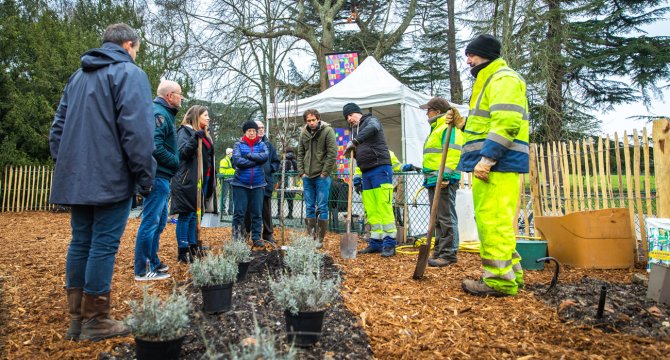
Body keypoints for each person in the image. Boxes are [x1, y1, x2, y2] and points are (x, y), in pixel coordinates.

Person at [50, 23, 155, 341]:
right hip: (111, 177)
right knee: (103, 245)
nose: (136, 55)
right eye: (136, 49)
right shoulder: (130, 74)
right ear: (128, 45)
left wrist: (68, 163)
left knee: (80, 242)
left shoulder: (78, 76)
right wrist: (144, 177)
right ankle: (96, 320)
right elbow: (137, 132)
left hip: (78, 177)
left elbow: (58, 127)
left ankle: (76, 321)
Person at [445, 34, 529, 297]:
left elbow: (506, 123)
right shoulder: (488, 81)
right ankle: (511, 275)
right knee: (493, 222)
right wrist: (463, 124)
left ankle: (499, 282)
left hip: (498, 164)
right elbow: (485, 126)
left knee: (494, 222)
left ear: (485, 55)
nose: (468, 60)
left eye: (471, 54)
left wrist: (488, 158)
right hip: (494, 164)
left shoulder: (503, 79)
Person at [133, 80, 183, 281]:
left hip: (162, 176)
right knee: (151, 222)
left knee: (160, 221)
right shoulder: (159, 114)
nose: (181, 98)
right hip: (157, 175)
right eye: (179, 94)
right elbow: (154, 146)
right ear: (170, 96)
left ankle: (153, 260)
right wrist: (175, 161)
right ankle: (142, 269)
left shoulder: (164, 113)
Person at [343, 103, 397, 257]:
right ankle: (376, 242)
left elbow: (372, 129)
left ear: (356, 113)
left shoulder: (371, 121)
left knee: (383, 206)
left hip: (380, 168)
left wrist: (355, 142)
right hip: (366, 171)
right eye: (346, 118)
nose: (349, 120)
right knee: (372, 209)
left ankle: (390, 243)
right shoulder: (355, 131)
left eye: (350, 116)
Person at [419, 96, 463, 267]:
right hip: (433, 179)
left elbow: (452, 153)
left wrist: (444, 175)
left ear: (437, 112)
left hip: (443, 179)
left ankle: (449, 253)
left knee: (445, 217)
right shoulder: (436, 129)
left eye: (428, 111)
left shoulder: (447, 127)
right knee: (436, 217)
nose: (426, 114)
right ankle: (439, 251)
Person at [170, 105, 218, 263]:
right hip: (187, 179)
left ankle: (193, 245)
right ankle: (183, 251)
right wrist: (194, 138)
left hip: (201, 180)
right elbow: (182, 153)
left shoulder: (204, 134)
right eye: (205, 115)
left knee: (194, 214)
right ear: (196, 116)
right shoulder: (185, 132)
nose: (208, 118)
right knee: (186, 215)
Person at [297, 109, 337, 247]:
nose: (311, 123)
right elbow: (300, 153)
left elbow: (332, 153)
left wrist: (325, 173)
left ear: (318, 119)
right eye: (308, 120)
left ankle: (320, 239)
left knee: (322, 207)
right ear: (306, 121)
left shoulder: (327, 131)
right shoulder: (304, 133)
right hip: (307, 176)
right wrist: (301, 172)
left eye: (314, 120)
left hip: (321, 176)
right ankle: (310, 237)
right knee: (309, 207)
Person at [231, 120, 269, 246]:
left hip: (258, 184)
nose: (252, 133)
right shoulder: (238, 144)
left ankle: (256, 238)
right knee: (239, 213)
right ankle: (237, 237)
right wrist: (255, 161)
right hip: (240, 184)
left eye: (254, 131)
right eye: (249, 131)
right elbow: (237, 160)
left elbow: (265, 156)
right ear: (245, 132)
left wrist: (248, 156)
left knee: (257, 213)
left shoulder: (262, 144)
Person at [244, 121, 280, 243]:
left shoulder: (269, 145)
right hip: (250, 182)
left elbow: (276, 161)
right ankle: (246, 232)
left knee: (266, 210)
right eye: (258, 128)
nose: (260, 130)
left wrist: (270, 168)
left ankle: (268, 234)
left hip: (265, 182)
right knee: (249, 209)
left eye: (262, 128)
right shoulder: (246, 144)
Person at [277, 147, 298, 219]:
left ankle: (279, 214)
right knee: (290, 199)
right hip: (291, 182)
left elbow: (279, 171)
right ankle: (290, 214)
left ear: (284, 153)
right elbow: (297, 172)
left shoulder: (283, 161)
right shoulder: (295, 161)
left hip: (283, 182)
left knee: (280, 199)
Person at [219, 148, 234, 215]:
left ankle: (230, 211)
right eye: (232, 153)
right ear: (228, 153)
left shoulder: (230, 160)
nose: (232, 154)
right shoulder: (224, 160)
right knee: (224, 196)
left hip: (231, 179)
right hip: (226, 180)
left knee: (232, 196)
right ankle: (223, 211)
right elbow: (222, 171)